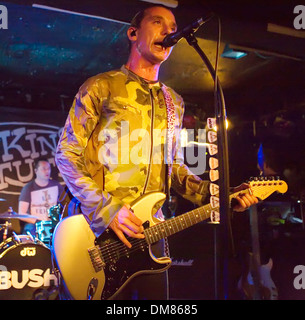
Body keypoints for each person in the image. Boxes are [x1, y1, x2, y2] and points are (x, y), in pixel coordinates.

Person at [55, 5, 258, 300]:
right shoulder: (101, 86)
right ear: (133, 33)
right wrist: (106, 210)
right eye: (158, 22)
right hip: (94, 234)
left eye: (172, 26)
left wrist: (221, 196)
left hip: (151, 235)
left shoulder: (173, 101)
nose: (168, 31)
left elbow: (174, 169)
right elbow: (67, 153)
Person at [18, 158, 64, 236]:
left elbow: (65, 206)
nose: (47, 171)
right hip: (36, 225)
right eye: (43, 169)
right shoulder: (28, 188)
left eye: (48, 168)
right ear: (36, 171)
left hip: (54, 223)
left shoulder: (56, 186)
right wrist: (38, 221)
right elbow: (21, 213)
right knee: (29, 228)